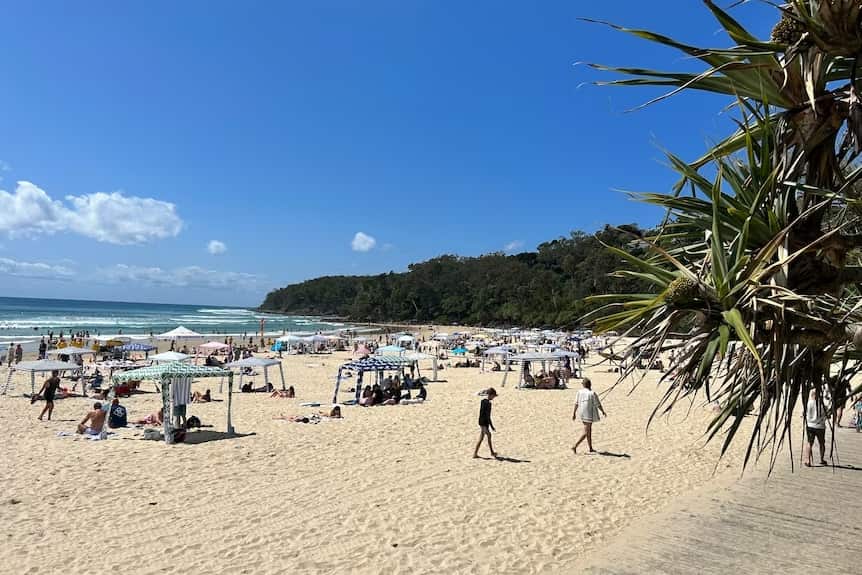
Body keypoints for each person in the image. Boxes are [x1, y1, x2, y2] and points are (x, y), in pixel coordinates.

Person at [573, 378, 607, 454]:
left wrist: (574, 413)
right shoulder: (592, 393)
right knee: (586, 431)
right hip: (588, 413)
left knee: (589, 430)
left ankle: (590, 448)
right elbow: (598, 404)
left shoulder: (579, 392)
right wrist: (603, 411)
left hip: (581, 412)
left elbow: (576, 403)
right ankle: (575, 446)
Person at [804, 388, 828, 467]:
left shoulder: (809, 403)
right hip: (820, 426)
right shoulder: (822, 404)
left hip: (810, 425)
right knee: (821, 443)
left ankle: (808, 460)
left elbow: (805, 414)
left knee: (809, 443)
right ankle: (821, 459)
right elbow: (826, 415)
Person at [473, 387, 498, 459]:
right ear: (490, 395)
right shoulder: (488, 403)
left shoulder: (483, 401)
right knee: (488, 435)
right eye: (493, 396)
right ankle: (492, 452)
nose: (493, 397)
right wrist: (492, 426)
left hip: (481, 421)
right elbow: (488, 415)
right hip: (484, 422)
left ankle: (476, 453)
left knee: (482, 437)